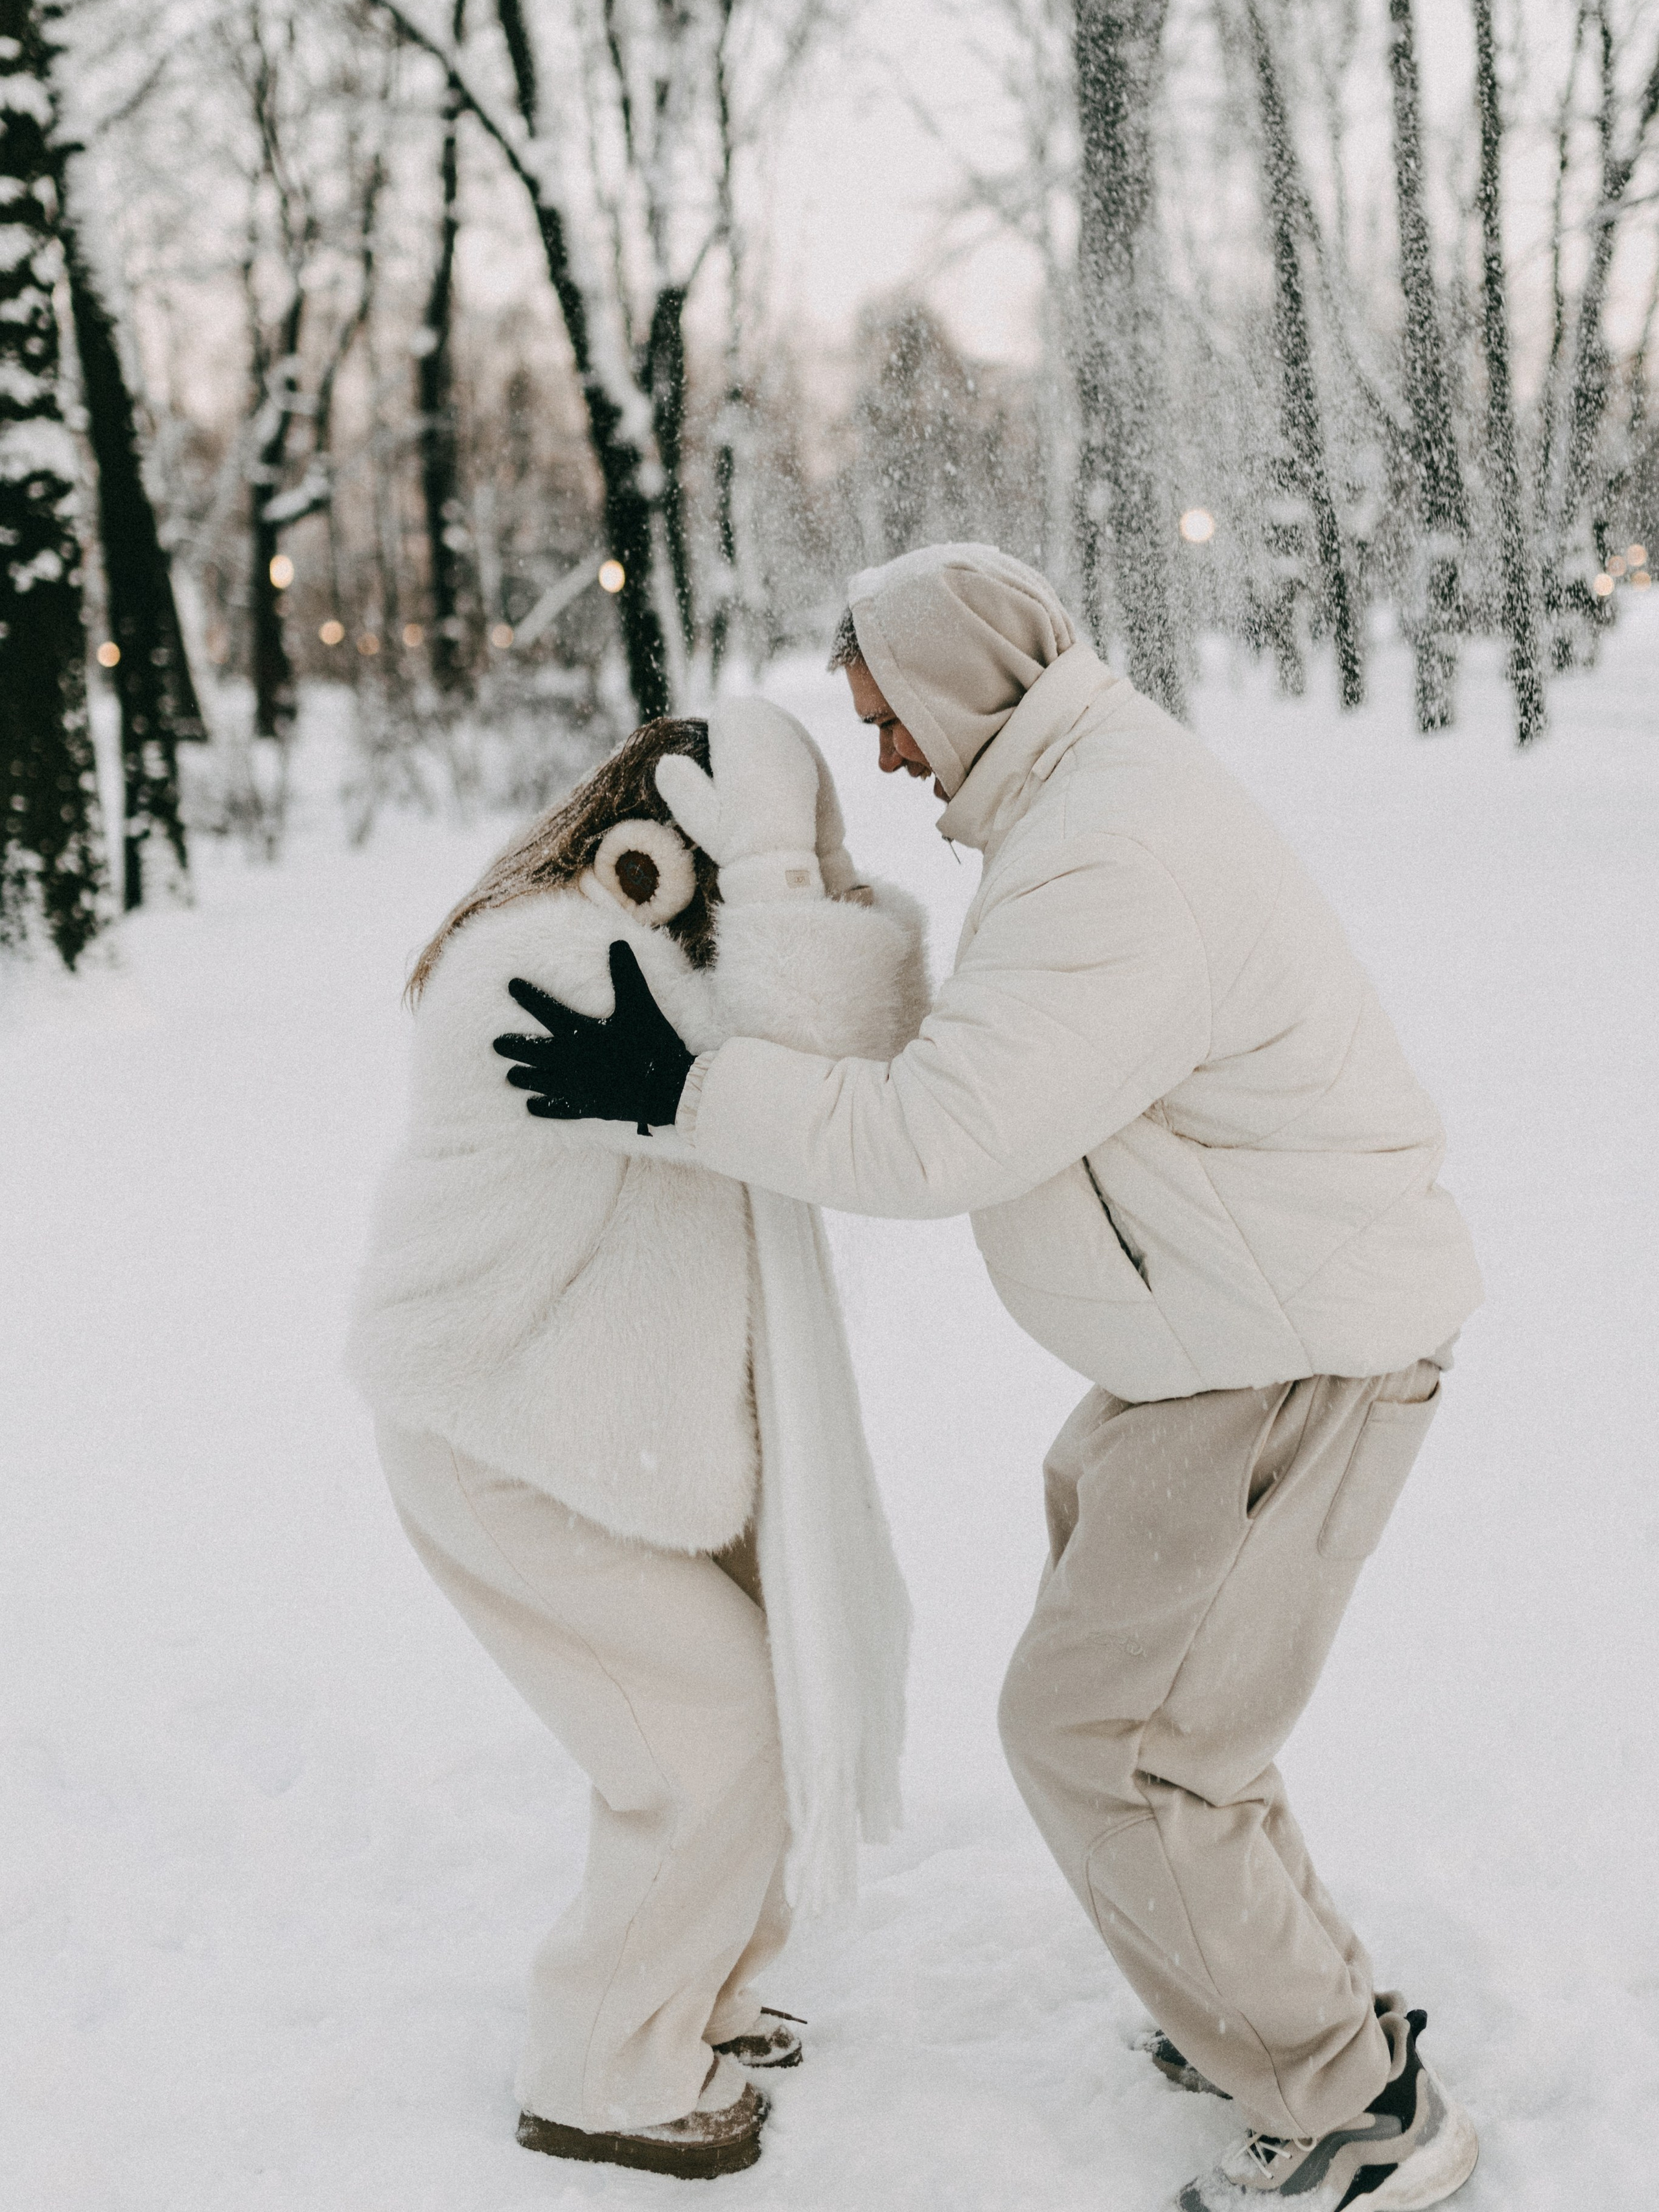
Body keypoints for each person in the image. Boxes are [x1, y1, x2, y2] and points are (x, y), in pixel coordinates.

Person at [494, 544, 1486, 2212]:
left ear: (964, 688)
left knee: (1118, 1740)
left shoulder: (1109, 858)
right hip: (1217, 1343)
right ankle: (1265, 2008)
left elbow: (940, 1131)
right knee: (1170, 1731)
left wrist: (678, 1089)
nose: (884, 756)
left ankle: (1350, 2102)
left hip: (1283, 1354)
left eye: (890, 718)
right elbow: (977, 1062)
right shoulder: (1079, 804)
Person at [349, 698, 922, 2180]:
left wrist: (797, 879)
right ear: (670, 837)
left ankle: (698, 1996)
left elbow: (856, 1069)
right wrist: (783, 882)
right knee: (706, 1741)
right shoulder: (551, 961)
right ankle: (601, 2065)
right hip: (501, 1428)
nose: (782, 876)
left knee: (760, 1716)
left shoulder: (671, 960)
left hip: (622, 1434)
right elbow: (803, 1054)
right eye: (760, 845)